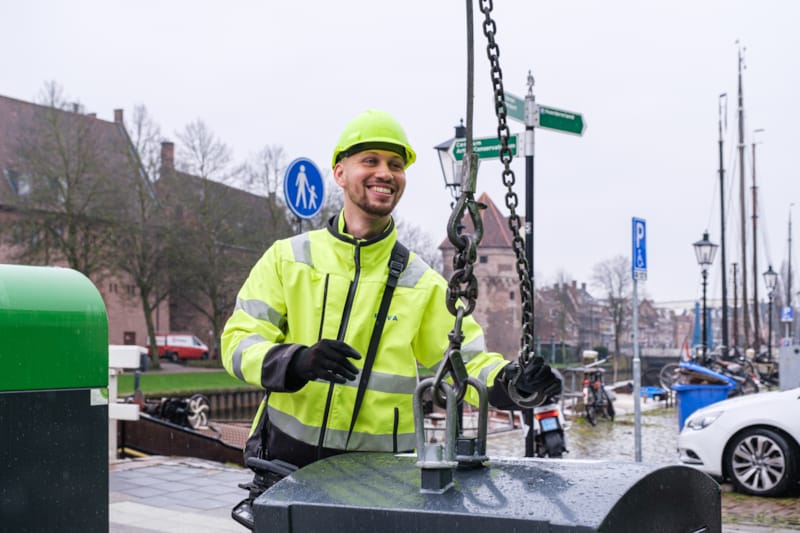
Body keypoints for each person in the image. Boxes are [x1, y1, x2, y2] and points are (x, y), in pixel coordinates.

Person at [221, 109, 561, 472]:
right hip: (286, 463)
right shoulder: (288, 259)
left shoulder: (422, 283)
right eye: (371, 160)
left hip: (382, 477)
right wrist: (295, 361)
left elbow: (466, 361)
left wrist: (512, 381)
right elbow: (239, 342)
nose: (385, 172)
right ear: (339, 172)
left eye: (396, 165)